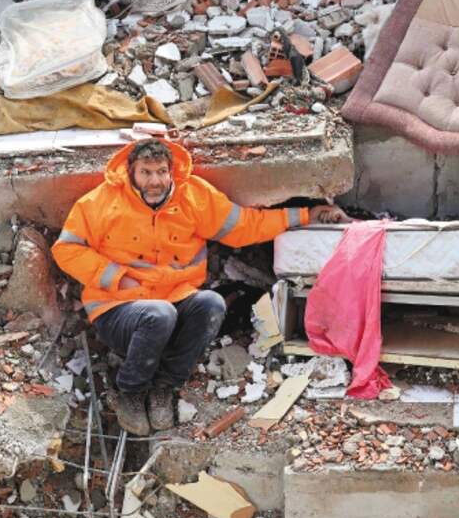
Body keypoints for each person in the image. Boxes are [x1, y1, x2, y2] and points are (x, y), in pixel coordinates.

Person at [51, 139, 348, 435]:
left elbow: (246, 226)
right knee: (159, 315)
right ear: (131, 173)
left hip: (174, 302)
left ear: (171, 172)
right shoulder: (100, 202)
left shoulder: (193, 196)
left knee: (211, 304)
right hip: (117, 309)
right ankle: (129, 390)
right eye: (146, 173)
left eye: (161, 172)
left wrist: (308, 215)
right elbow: (66, 249)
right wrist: (116, 277)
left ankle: (164, 387)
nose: (155, 181)